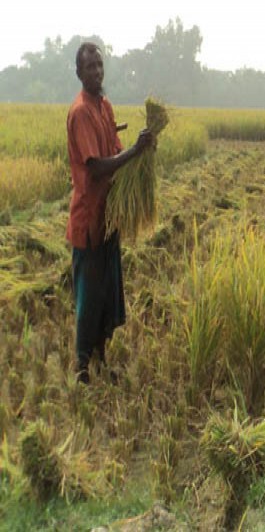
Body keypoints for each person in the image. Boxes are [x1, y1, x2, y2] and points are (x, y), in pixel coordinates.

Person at [66, 42, 154, 384]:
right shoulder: (81, 112)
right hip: (89, 220)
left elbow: (116, 152)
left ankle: (101, 359)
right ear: (79, 73)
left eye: (100, 65)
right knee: (89, 298)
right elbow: (98, 167)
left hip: (109, 217)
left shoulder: (104, 105)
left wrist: (141, 150)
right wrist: (134, 150)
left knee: (106, 295)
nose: (97, 72)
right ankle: (82, 368)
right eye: (90, 67)